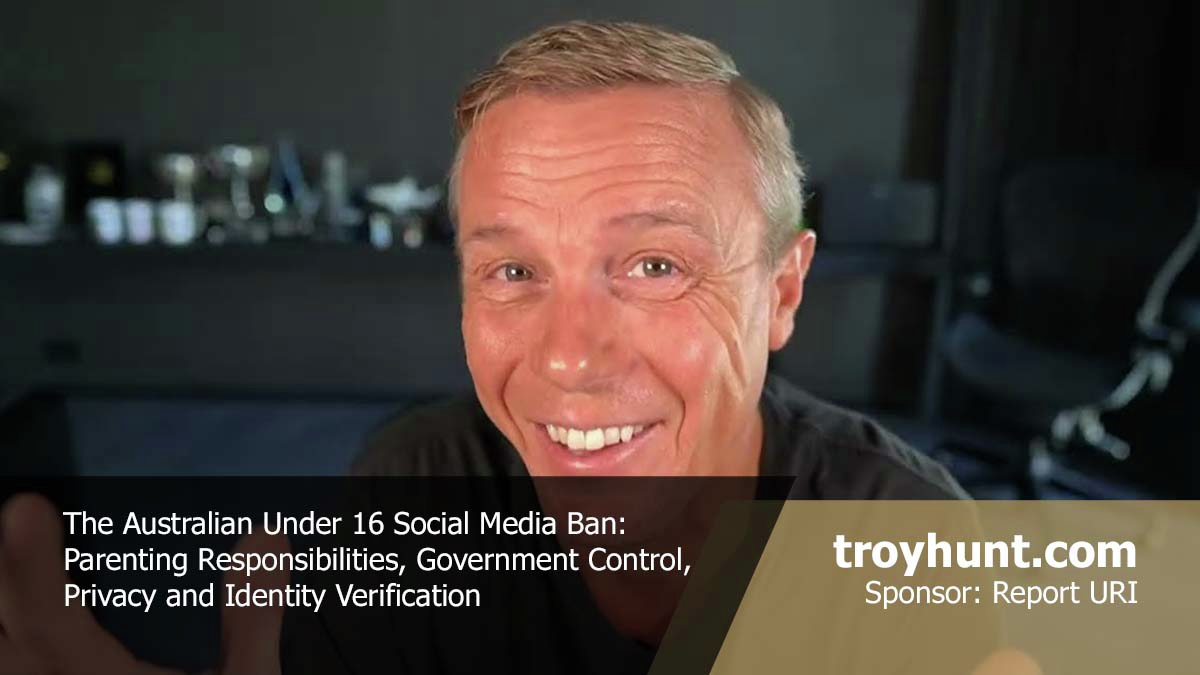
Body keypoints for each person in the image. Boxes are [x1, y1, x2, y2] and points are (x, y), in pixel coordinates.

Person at [0, 20, 1017, 675]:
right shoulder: (421, 484)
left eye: (653, 265)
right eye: (514, 270)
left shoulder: (903, 538)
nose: (568, 360)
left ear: (782, 290)